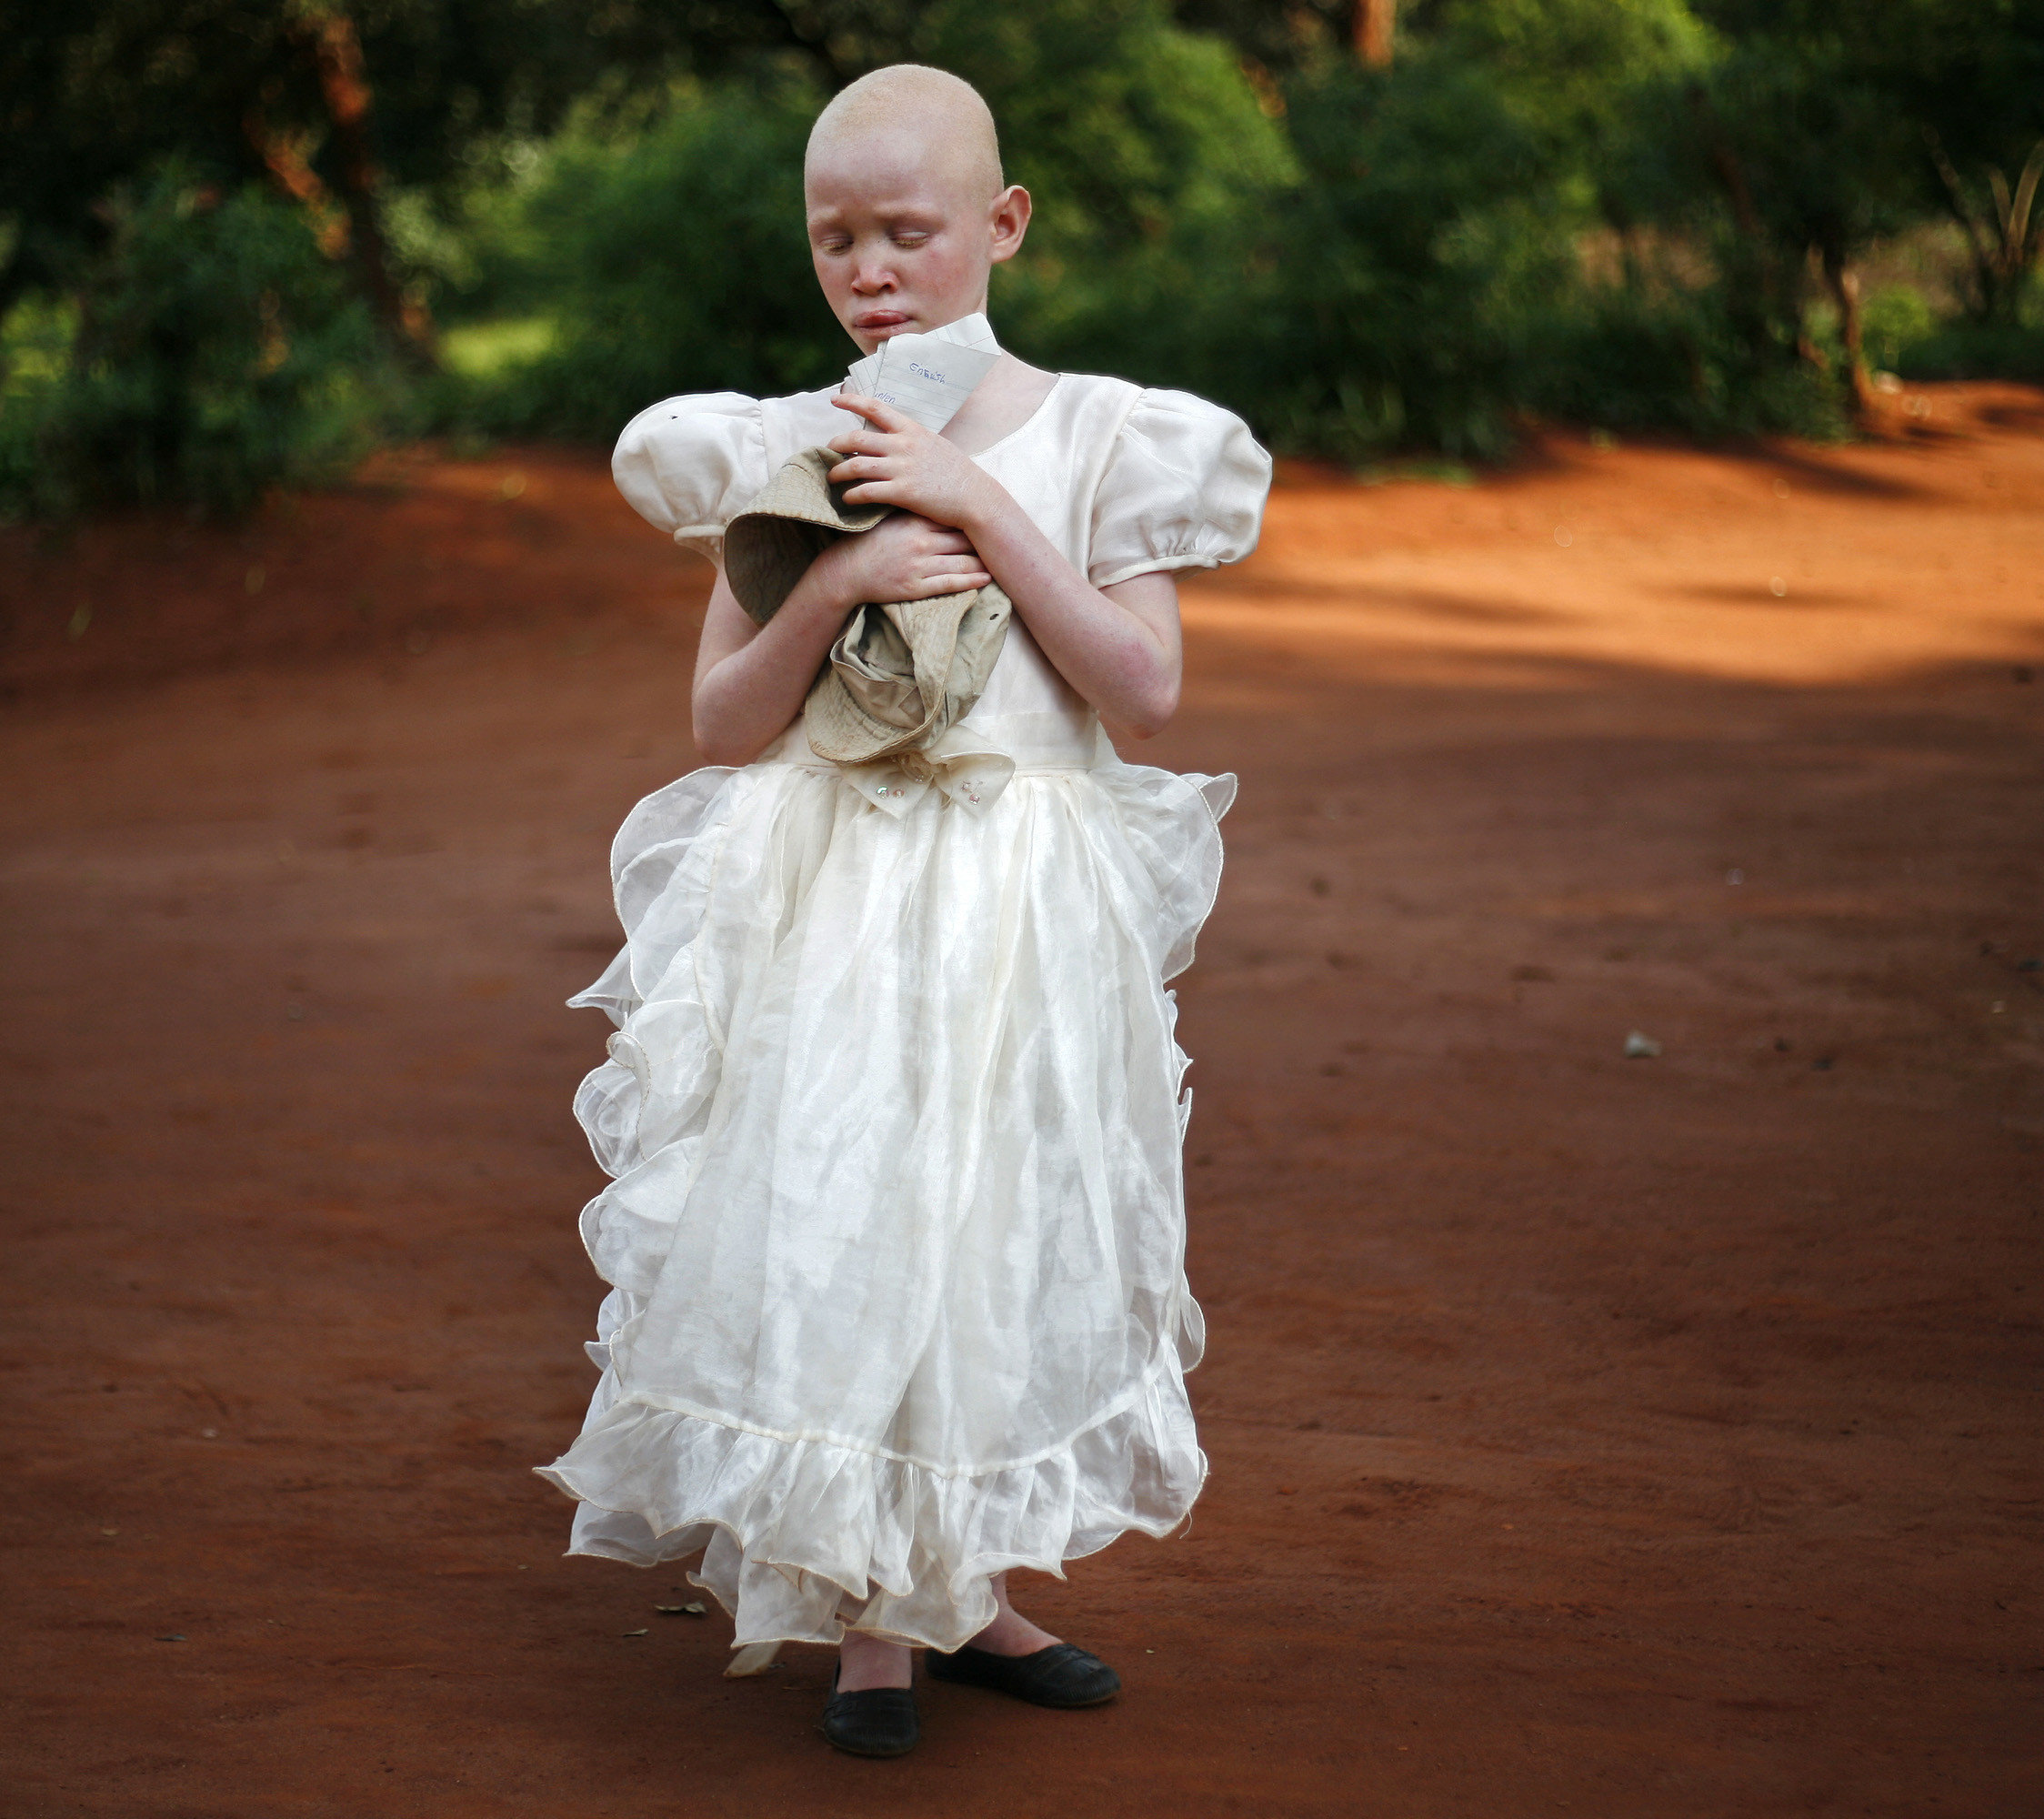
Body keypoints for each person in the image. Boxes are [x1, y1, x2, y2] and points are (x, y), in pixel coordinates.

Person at [536, 63, 1270, 1760]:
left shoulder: (1103, 434)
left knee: (997, 1224)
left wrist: (981, 506)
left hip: (1023, 910)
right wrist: (849, 575)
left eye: (910, 233)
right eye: (837, 240)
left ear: (1002, 227)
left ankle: (978, 1591)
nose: (873, 271)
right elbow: (724, 725)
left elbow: (1144, 691)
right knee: (855, 1215)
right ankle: (872, 1626)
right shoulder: (791, 446)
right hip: (844, 904)